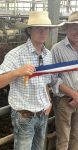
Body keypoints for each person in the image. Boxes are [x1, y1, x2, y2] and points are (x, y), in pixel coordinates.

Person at [0, 11, 60, 150]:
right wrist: (16, 72)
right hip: (24, 117)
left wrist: (49, 102)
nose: (43, 31)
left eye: (46, 28)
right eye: (38, 28)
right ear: (29, 30)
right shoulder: (16, 54)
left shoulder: (48, 55)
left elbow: (46, 82)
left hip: (43, 114)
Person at [51, 11, 78, 150]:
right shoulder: (57, 49)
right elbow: (53, 79)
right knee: (64, 138)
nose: (77, 32)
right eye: (75, 28)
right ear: (67, 29)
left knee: (76, 136)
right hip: (64, 101)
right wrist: (73, 94)